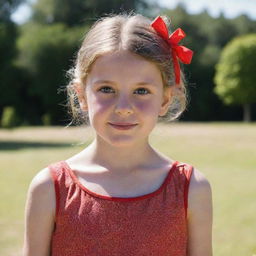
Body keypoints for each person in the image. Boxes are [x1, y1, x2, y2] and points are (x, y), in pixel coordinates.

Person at [23, 13, 213, 256]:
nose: (123, 107)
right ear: (81, 95)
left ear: (165, 99)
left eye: (141, 91)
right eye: (106, 89)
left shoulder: (191, 188)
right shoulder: (49, 188)